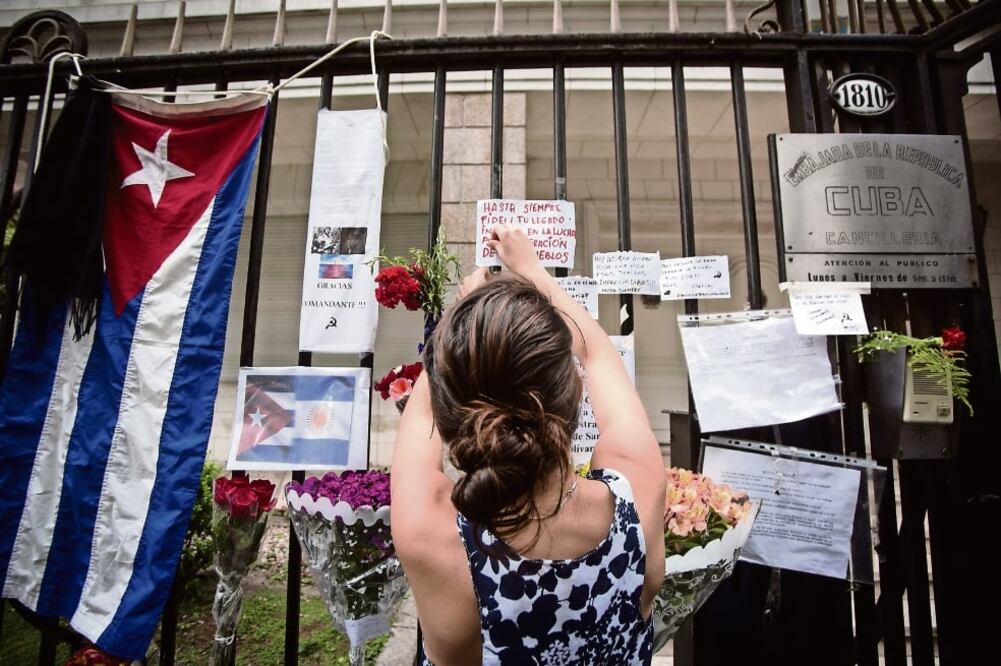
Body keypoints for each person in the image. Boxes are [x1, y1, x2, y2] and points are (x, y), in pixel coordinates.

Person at [391, 224, 666, 665]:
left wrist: (463, 316)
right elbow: (597, 352)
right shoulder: (637, 490)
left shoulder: (431, 534)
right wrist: (534, 270)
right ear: (575, 387)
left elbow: (423, 411)